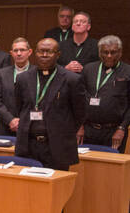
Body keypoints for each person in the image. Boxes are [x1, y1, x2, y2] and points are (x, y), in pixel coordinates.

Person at [14, 38, 86, 171]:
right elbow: (19, 107)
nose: (44, 55)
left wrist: (63, 131)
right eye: (41, 51)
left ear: (58, 54)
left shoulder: (72, 80)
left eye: (49, 52)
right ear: (35, 53)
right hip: (28, 145)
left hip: (57, 146)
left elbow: (80, 113)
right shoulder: (23, 78)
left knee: (56, 189)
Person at [78, 35, 130, 150]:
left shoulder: (128, 72)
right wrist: (80, 125)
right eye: (105, 52)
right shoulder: (88, 69)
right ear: (99, 52)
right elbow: (79, 100)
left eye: (113, 52)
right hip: (88, 129)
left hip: (114, 131)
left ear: (120, 52)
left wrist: (122, 128)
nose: (109, 56)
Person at [0, 38, 34, 136]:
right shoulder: (1, 74)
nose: (19, 53)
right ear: (11, 53)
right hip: (5, 126)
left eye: (22, 50)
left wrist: (23, 121)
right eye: (15, 50)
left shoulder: (37, 73)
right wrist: (10, 120)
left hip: (30, 127)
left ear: (29, 52)